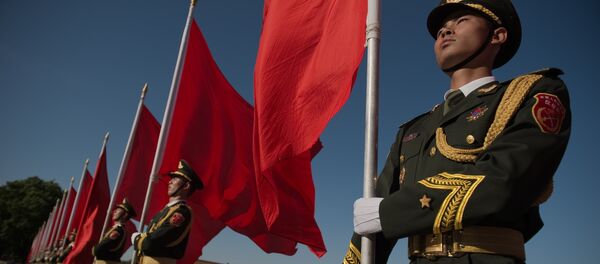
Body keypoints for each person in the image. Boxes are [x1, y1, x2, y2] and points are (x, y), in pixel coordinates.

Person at [344, 0, 571, 263]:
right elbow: (372, 223)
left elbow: (507, 179)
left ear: (497, 35)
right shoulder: (412, 130)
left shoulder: (533, 93)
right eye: (442, 28)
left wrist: (391, 212)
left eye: (461, 21)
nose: (445, 31)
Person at [131, 160, 204, 264]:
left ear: (186, 186)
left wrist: (138, 239)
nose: (170, 181)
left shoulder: (182, 211)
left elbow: (153, 242)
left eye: (175, 178)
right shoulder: (166, 211)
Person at [92, 198, 136, 264]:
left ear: (125, 215)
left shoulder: (118, 231)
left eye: (118, 210)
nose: (114, 211)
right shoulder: (115, 229)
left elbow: (98, 250)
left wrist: (94, 249)